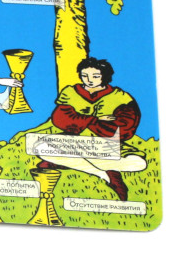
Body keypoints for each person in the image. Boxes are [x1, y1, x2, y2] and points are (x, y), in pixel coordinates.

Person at [37, 57, 146, 200]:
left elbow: (124, 128)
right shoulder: (71, 92)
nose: (89, 80)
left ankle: (67, 162)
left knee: (138, 163)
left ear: (104, 76)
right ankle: (106, 174)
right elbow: (61, 119)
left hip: (107, 145)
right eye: (85, 75)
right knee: (41, 147)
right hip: (74, 142)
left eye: (95, 76)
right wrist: (95, 120)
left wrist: (81, 120)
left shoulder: (120, 97)